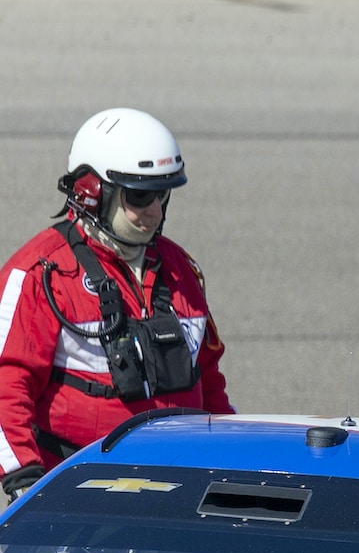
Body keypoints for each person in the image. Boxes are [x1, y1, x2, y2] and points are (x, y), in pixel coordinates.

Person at [0, 108, 233, 502]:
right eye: (140, 195)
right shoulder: (40, 274)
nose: (155, 211)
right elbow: (6, 386)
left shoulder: (181, 270)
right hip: (80, 501)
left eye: (162, 195)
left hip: (181, 490)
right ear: (91, 190)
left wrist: (234, 459)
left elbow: (208, 381)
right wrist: (24, 480)